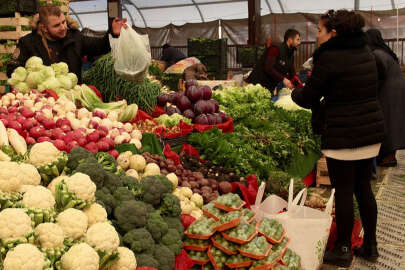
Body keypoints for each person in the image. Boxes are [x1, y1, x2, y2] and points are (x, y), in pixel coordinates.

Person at [291, 10, 384, 267]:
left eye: (320, 30)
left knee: (343, 191)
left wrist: (296, 93)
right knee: (363, 188)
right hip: (370, 132)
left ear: (334, 32)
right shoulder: (366, 52)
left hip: (343, 135)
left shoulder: (329, 57)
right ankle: (371, 246)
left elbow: (310, 96)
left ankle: (343, 249)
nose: (317, 35)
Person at [6, 4, 127, 83]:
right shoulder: (28, 42)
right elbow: (12, 69)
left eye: (63, 22)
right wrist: (36, 77)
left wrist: (113, 33)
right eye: (57, 25)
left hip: (71, 100)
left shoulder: (75, 37)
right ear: (44, 28)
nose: (63, 27)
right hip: (42, 101)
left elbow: (100, 46)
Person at [367, 28, 405, 167]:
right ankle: (389, 156)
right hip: (396, 89)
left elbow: (378, 77)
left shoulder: (377, 54)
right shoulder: (385, 52)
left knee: (387, 122)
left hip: (388, 91)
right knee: (393, 121)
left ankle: (388, 157)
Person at [246, 29, 301, 95]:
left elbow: (292, 72)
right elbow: (268, 68)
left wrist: (299, 85)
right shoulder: (275, 49)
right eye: (297, 39)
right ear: (290, 40)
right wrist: (283, 79)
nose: (299, 42)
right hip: (258, 83)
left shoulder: (290, 54)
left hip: (270, 86)